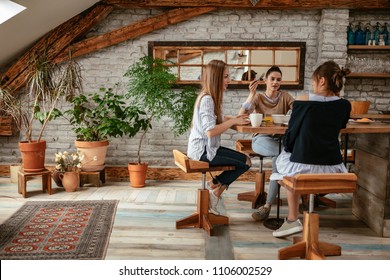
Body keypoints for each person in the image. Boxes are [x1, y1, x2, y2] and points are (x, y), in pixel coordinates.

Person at [271, 60, 351, 238]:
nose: (312, 85)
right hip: (333, 168)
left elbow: (291, 134)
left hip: (304, 166)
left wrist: (289, 147)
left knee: (283, 162)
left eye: (314, 81)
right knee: (291, 164)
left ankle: (292, 219)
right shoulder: (345, 105)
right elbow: (341, 125)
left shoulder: (304, 101)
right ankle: (310, 202)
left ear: (322, 81)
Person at [187, 60, 252, 215]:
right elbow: (210, 131)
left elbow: (220, 118)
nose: (229, 80)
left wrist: (236, 118)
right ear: (216, 78)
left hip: (205, 148)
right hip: (203, 151)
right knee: (246, 162)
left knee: (246, 160)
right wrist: (233, 121)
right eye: (225, 77)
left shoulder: (208, 97)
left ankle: (214, 184)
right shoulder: (207, 100)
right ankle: (216, 193)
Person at [238, 66, 294, 222]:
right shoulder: (259, 98)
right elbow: (241, 115)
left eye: (278, 79)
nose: (275, 82)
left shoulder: (285, 96)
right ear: (265, 80)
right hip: (260, 139)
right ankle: (278, 204)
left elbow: (298, 110)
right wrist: (251, 94)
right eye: (272, 79)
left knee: (280, 156)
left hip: (280, 140)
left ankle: (267, 206)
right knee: (283, 154)